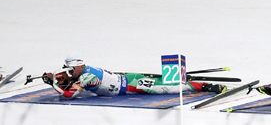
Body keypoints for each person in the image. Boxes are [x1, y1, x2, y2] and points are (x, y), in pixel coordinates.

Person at [42, 57, 226, 99]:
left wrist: (53, 84)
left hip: (132, 84)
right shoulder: (83, 71)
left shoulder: (86, 75)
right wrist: (55, 78)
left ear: (79, 66)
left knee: (168, 88)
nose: (69, 72)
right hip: (126, 79)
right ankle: (185, 79)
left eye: (71, 69)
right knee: (165, 84)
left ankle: (206, 86)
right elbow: (65, 82)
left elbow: (68, 95)